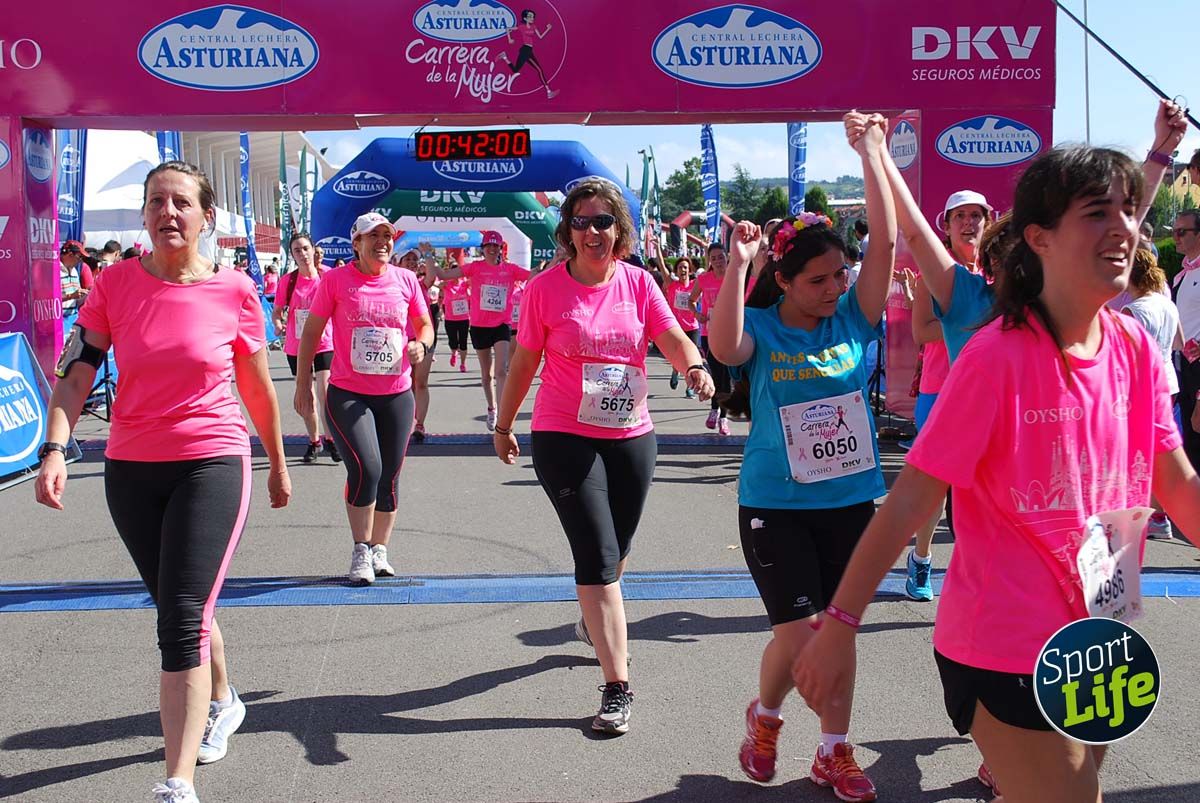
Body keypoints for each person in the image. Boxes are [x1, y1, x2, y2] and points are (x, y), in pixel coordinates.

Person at [795, 141, 1200, 803]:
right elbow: (906, 504)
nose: (1125, 226)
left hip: (1101, 632)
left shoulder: (1134, 350)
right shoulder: (996, 358)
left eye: (1131, 210)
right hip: (1003, 645)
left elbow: (1178, 483)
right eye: (1098, 212)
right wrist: (840, 623)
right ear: (1038, 238)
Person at [35, 160, 291, 803]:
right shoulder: (114, 285)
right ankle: (225, 698)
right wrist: (56, 448)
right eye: (156, 202)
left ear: (207, 217)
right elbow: (77, 371)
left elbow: (257, 388)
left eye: (181, 203)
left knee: (180, 615)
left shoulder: (234, 291)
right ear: (144, 214)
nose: (167, 213)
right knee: (186, 603)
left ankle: (176, 781)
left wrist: (279, 463)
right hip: (130, 468)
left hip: (211, 460)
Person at [708, 111, 895, 803]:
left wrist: (871, 153)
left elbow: (888, 245)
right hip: (774, 505)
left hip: (851, 503)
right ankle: (789, 727)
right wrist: (736, 265)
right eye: (818, 279)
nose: (835, 287)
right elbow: (725, 349)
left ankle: (813, 742)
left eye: (840, 273)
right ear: (784, 280)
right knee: (807, 630)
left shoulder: (853, 317)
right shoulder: (758, 327)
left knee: (833, 635)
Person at [493, 178, 714, 735]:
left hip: (631, 434)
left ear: (620, 230)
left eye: (603, 222)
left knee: (618, 548)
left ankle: (597, 617)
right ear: (567, 230)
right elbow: (523, 363)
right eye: (582, 222)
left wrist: (695, 367)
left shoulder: (639, 283)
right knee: (595, 552)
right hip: (564, 433)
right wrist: (502, 423)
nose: (593, 232)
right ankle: (617, 685)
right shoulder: (545, 290)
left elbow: (673, 336)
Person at [296, 213, 434, 586]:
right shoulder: (336, 281)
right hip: (348, 393)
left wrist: (421, 344)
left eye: (387, 236)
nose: (383, 243)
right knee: (366, 468)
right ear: (356, 243)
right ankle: (360, 548)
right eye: (373, 237)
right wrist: (301, 385)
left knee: (390, 475)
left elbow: (425, 325)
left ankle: (379, 550)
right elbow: (310, 332)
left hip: (396, 394)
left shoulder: (406, 280)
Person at [435, 231, 531, 432]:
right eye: (489, 246)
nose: (492, 249)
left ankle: (504, 413)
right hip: (479, 326)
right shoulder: (475, 268)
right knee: (487, 375)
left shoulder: (510, 269)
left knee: (502, 370)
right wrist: (428, 256)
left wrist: (555, 260)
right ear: (483, 249)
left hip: (501, 325)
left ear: (500, 249)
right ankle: (492, 408)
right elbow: (444, 275)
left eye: (496, 246)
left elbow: (534, 277)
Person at [1124, 247, 1182, 539]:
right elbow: (1180, 343)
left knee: (1136, 454)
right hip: (1169, 384)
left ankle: (1147, 516)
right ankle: (1158, 517)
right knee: (1157, 453)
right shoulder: (1166, 304)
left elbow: (1125, 358)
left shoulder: (1132, 311)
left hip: (1141, 388)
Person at [272, 233, 340, 464]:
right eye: (296, 251)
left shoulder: (328, 276)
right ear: (292, 255)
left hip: (325, 341)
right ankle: (314, 441)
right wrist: (278, 323)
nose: (302, 254)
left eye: (305, 248)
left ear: (313, 250)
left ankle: (331, 439)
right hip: (297, 345)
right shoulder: (288, 281)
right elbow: (277, 310)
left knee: (325, 392)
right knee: (307, 396)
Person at [690, 242, 734, 434]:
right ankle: (715, 411)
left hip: (731, 331)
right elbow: (691, 300)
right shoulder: (703, 279)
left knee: (727, 376)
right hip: (710, 332)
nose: (717, 261)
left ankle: (722, 416)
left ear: (727, 257)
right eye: (713, 258)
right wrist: (697, 314)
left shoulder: (734, 277)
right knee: (716, 374)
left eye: (720, 257)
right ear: (709, 260)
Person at [658, 256, 700, 396]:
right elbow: (663, 268)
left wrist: (706, 249)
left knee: (691, 359)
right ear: (676, 270)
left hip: (692, 327)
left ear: (690, 270)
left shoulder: (695, 284)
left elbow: (708, 273)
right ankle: (675, 371)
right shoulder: (672, 285)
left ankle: (690, 387)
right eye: (680, 267)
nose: (683, 270)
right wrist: (658, 250)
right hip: (676, 328)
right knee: (678, 357)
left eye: (686, 268)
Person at [499, 8, 558, 99]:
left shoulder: (534, 26)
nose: (532, 18)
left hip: (528, 50)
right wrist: (509, 39)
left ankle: (504, 57)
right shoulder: (521, 27)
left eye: (533, 16)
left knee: (515, 70)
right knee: (539, 70)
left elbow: (540, 37)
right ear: (525, 18)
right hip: (525, 50)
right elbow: (508, 28)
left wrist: (548, 29)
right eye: (530, 16)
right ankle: (548, 91)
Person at [59, 239, 95, 331]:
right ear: (70, 254)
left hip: (73, 318)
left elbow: (76, 299)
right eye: (79, 257)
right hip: (59, 320)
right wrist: (71, 296)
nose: (80, 261)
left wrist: (85, 295)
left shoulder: (74, 271)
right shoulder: (54, 271)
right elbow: (48, 299)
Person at [441, 273, 471, 374]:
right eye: (453, 274)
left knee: (463, 342)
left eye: (457, 274)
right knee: (452, 341)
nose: (455, 277)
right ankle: (454, 352)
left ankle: (463, 364)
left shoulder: (464, 283)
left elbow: (475, 280)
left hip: (464, 318)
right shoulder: (447, 284)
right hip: (450, 318)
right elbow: (435, 284)